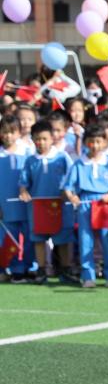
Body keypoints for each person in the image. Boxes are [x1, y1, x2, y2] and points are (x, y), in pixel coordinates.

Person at [64, 123, 108, 288]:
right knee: (86, 240)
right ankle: (88, 276)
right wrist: (72, 197)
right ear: (85, 143)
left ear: (104, 143)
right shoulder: (79, 164)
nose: (95, 145)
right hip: (85, 202)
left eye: (98, 142)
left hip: (105, 204)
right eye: (91, 142)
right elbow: (68, 186)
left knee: (107, 240)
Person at [18, 120, 74, 282]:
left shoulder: (62, 157)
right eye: (37, 139)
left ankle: (66, 271)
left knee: (63, 240)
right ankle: (41, 271)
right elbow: (23, 182)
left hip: (60, 206)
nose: (41, 142)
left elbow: (72, 178)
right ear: (32, 140)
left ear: (52, 138)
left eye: (44, 139)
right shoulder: (30, 160)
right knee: (39, 239)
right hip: (38, 208)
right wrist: (23, 192)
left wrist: (68, 193)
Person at [0, 116, 34, 281]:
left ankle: (29, 267)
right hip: (4, 206)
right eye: (4, 132)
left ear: (19, 133)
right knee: (7, 238)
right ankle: (10, 268)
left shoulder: (27, 152)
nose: (8, 136)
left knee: (29, 236)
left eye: (12, 132)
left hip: (26, 204)